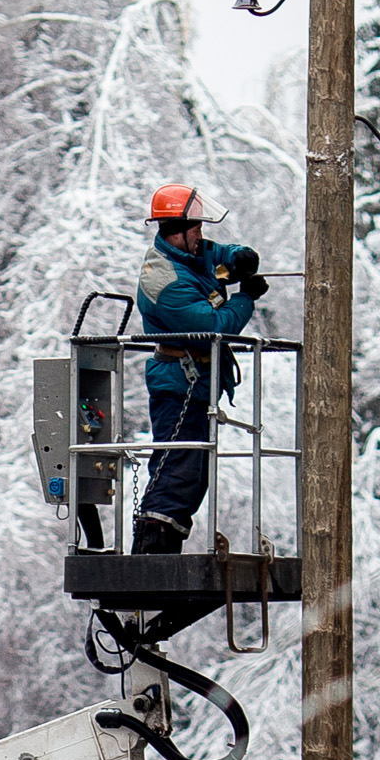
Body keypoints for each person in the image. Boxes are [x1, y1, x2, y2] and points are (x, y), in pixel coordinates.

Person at [132, 185, 267, 555]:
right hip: (180, 385)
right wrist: (245, 298)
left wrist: (241, 260)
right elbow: (216, 326)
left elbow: (217, 256)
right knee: (178, 469)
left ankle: (162, 546)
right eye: (197, 230)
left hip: (196, 384)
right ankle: (152, 554)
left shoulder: (188, 255)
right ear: (179, 229)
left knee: (192, 469)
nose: (202, 237)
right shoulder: (167, 282)